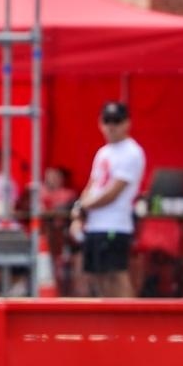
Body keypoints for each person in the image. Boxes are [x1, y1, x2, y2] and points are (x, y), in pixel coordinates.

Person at [68, 100, 146, 298]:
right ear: (100, 123)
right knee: (98, 277)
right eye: (107, 120)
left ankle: (130, 322)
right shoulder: (103, 152)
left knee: (116, 276)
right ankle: (112, 323)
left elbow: (113, 193)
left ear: (127, 123)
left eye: (117, 121)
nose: (111, 126)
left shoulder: (131, 152)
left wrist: (82, 206)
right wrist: (79, 213)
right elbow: (92, 186)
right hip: (96, 224)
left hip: (115, 224)